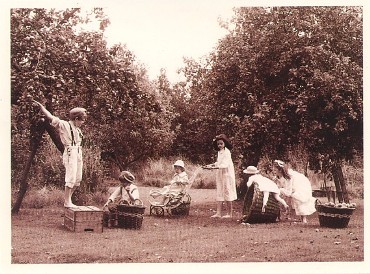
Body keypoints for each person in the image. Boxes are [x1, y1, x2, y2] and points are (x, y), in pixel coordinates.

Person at [33, 100, 87, 208]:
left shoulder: (78, 130)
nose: (83, 122)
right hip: (70, 153)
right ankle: (67, 202)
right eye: (82, 120)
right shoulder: (65, 125)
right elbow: (51, 117)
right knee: (71, 177)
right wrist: (42, 107)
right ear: (76, 119)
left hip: (78, 152)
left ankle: (68, 200)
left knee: (77, 179)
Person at [207, 134, 237, 218]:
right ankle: (218, 213)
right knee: (219, 191)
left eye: (221, 143)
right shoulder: (219, 152)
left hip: (227, 174)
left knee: (227, 191)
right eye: (218, 144)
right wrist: (212, 165)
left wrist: (216, 167)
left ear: (225, 143)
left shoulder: (227, 152)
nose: (219, 145)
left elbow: (225, 164)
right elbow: (219, 162)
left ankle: (229, 214)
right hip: (220, 174)